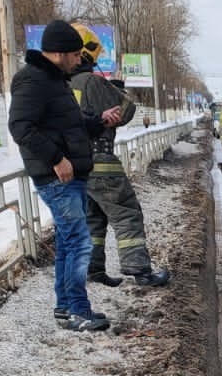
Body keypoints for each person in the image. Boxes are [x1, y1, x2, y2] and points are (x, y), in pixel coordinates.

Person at [8, 19, 123, 332]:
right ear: (59, 53)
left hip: (69, 177)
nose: (79, 60)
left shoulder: (55, 79)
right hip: (55, 177)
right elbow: (20, 128)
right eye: (75, 54)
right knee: (79, 244)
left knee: (69, 243)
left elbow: (70, 124)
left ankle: (65, 308)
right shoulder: (32, 80)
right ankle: (77, 311)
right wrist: (57, 159)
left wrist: (100, 120)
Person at [67, 23, 171, 289]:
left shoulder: (61, 86)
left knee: (93, 217)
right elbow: (126, 111)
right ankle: (140, 272)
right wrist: (115, 89)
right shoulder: (91, 81)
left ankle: (93, 269)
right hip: (100, 160)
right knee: (126, 213)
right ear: (86, 54)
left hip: (74, 164)